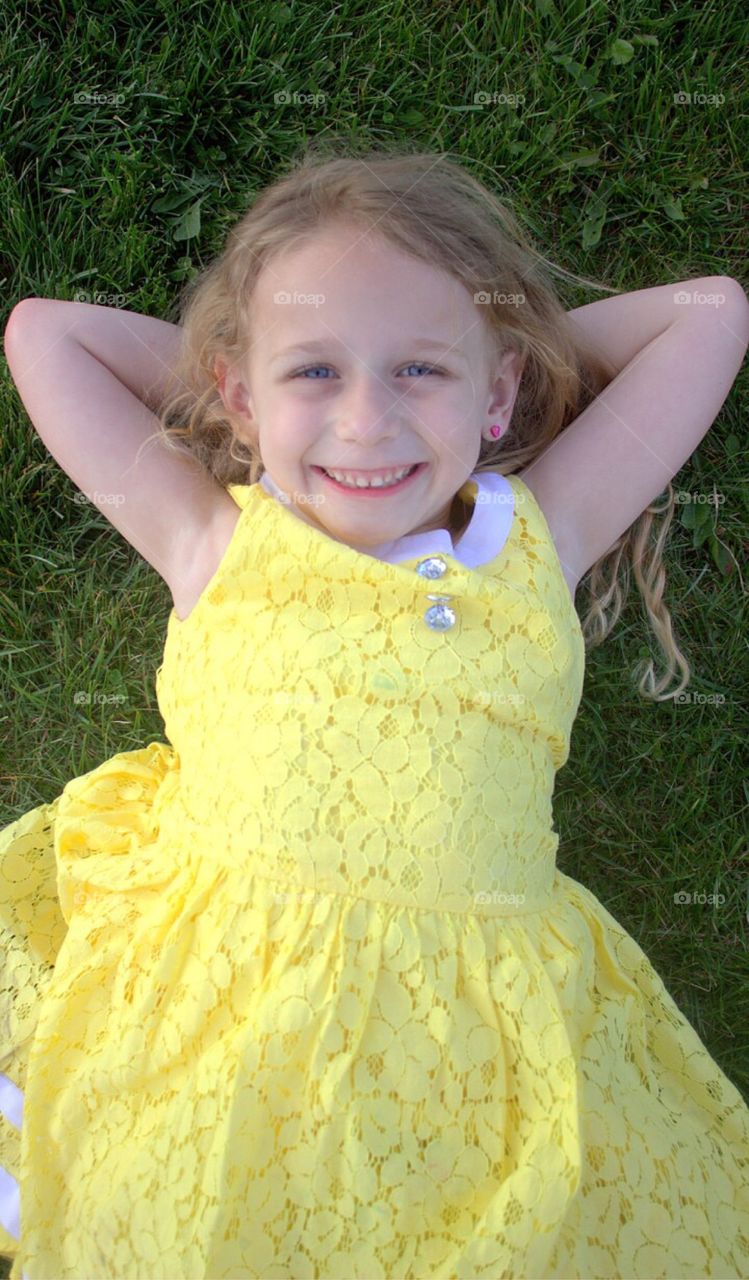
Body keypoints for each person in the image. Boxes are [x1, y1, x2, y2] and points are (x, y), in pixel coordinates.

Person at [1, 145, 748, 1280]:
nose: (365, 422)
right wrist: (255, 388)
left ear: (493, 395)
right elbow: (43, 333)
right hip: (217, 1017)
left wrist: (506, 358)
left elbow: (710, 312)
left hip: (474, 1038)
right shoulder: (212, 540)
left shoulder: (539, 540)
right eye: (315, 375)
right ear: (235, 394)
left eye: (418, 373)